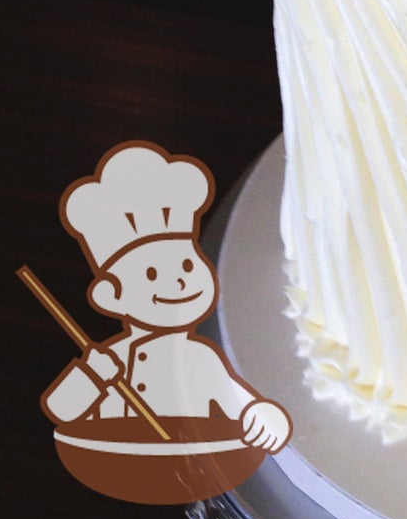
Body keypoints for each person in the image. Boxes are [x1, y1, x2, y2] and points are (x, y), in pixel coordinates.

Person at [41, 141, 291, 451]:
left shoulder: (201, 358)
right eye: (151, 274)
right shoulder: (113, 360)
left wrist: (261, 415)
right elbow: (62, 408)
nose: (178, 281)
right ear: (112, 297)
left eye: (187, 265)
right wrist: (92, 374)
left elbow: (245, 409)